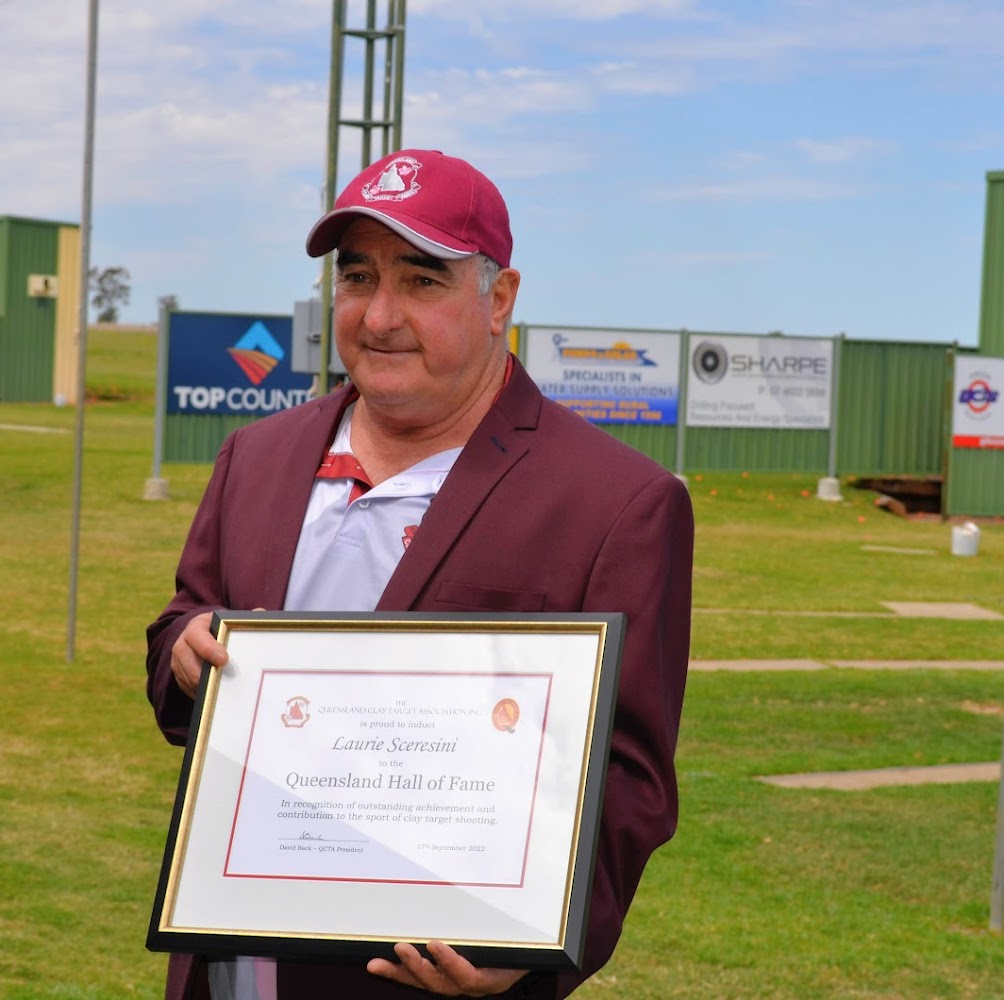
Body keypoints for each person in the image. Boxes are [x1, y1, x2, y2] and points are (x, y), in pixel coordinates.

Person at [145, 149, 693, 1000]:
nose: (380, 315)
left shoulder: (617, 502)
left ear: (499, 298)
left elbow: (633, 777)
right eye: (357, 277)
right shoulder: (258, 455)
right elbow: (187, 618)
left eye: (424, 280)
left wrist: (539, 940)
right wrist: (184, 646)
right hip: (233, 968)